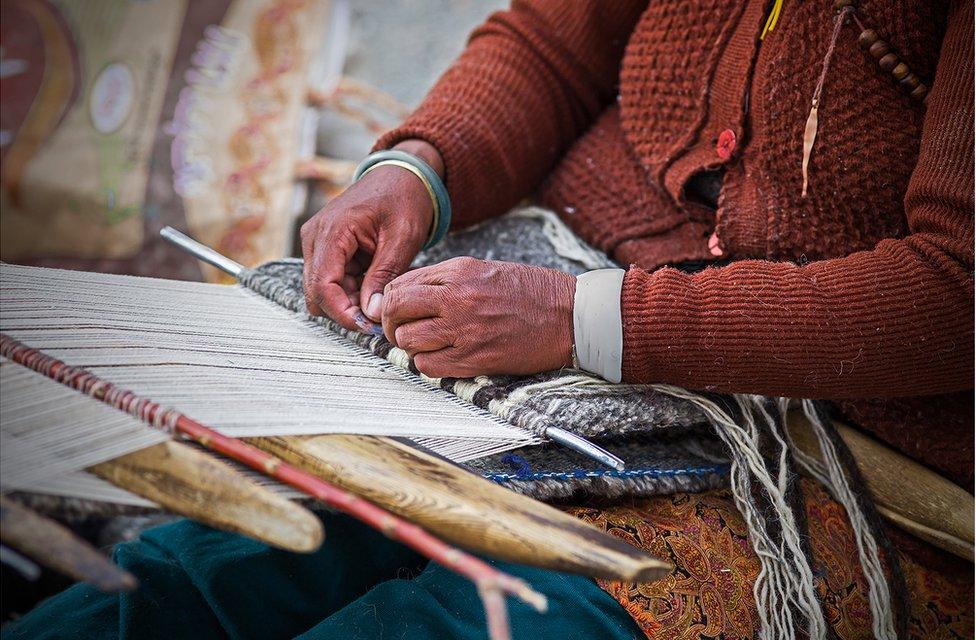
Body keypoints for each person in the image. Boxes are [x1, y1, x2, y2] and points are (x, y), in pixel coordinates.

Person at [5, 1, 972, 638]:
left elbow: (958, 293)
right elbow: (551, 46)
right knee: (189, 576)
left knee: (471, 628)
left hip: (835, 457)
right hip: (551, 312)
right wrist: (417, 170)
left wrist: (586, 319)